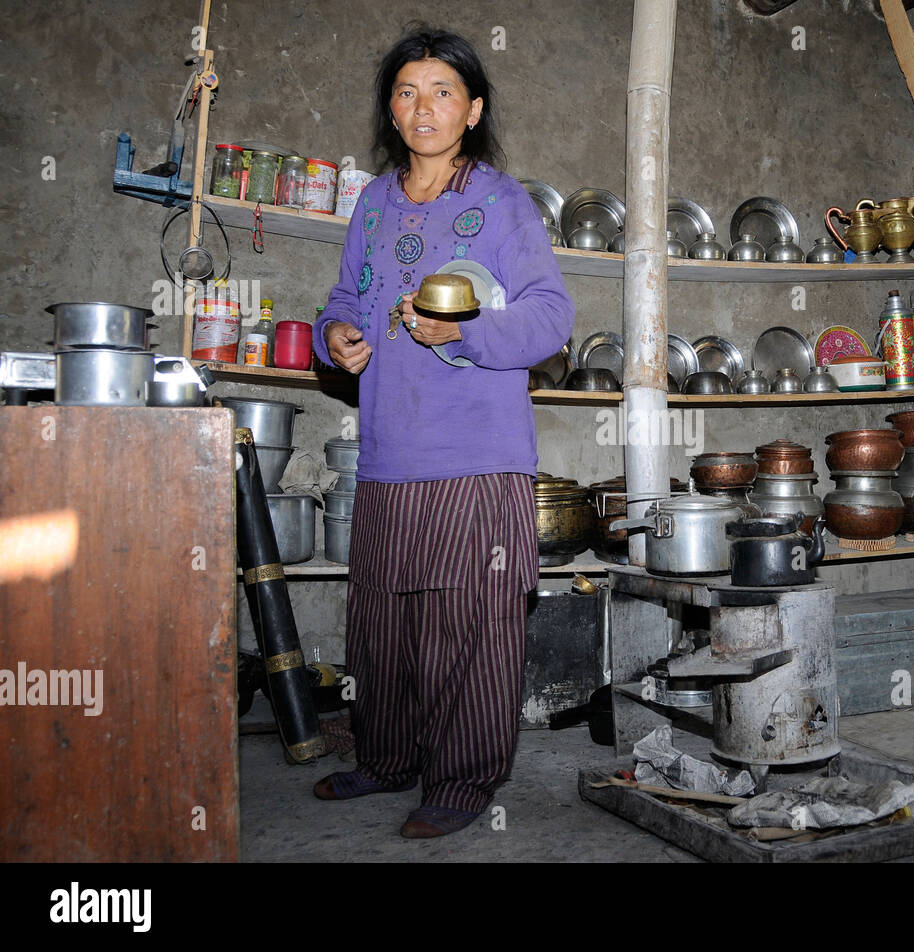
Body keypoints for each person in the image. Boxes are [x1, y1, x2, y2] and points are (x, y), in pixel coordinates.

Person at [309, 26, 574, 838]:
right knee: (383, 626)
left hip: (476, 457)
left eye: (442, 92)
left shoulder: (500, 201)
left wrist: (464, 334)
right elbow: (345, 299)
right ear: (391, 111)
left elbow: (550, 318)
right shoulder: (374, 201)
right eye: (406, 92)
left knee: (470, 627)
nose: (423, 108)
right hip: (390, 453)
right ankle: (387, 760)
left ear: (472, 109)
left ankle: (461, 780)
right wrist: (335, 337)